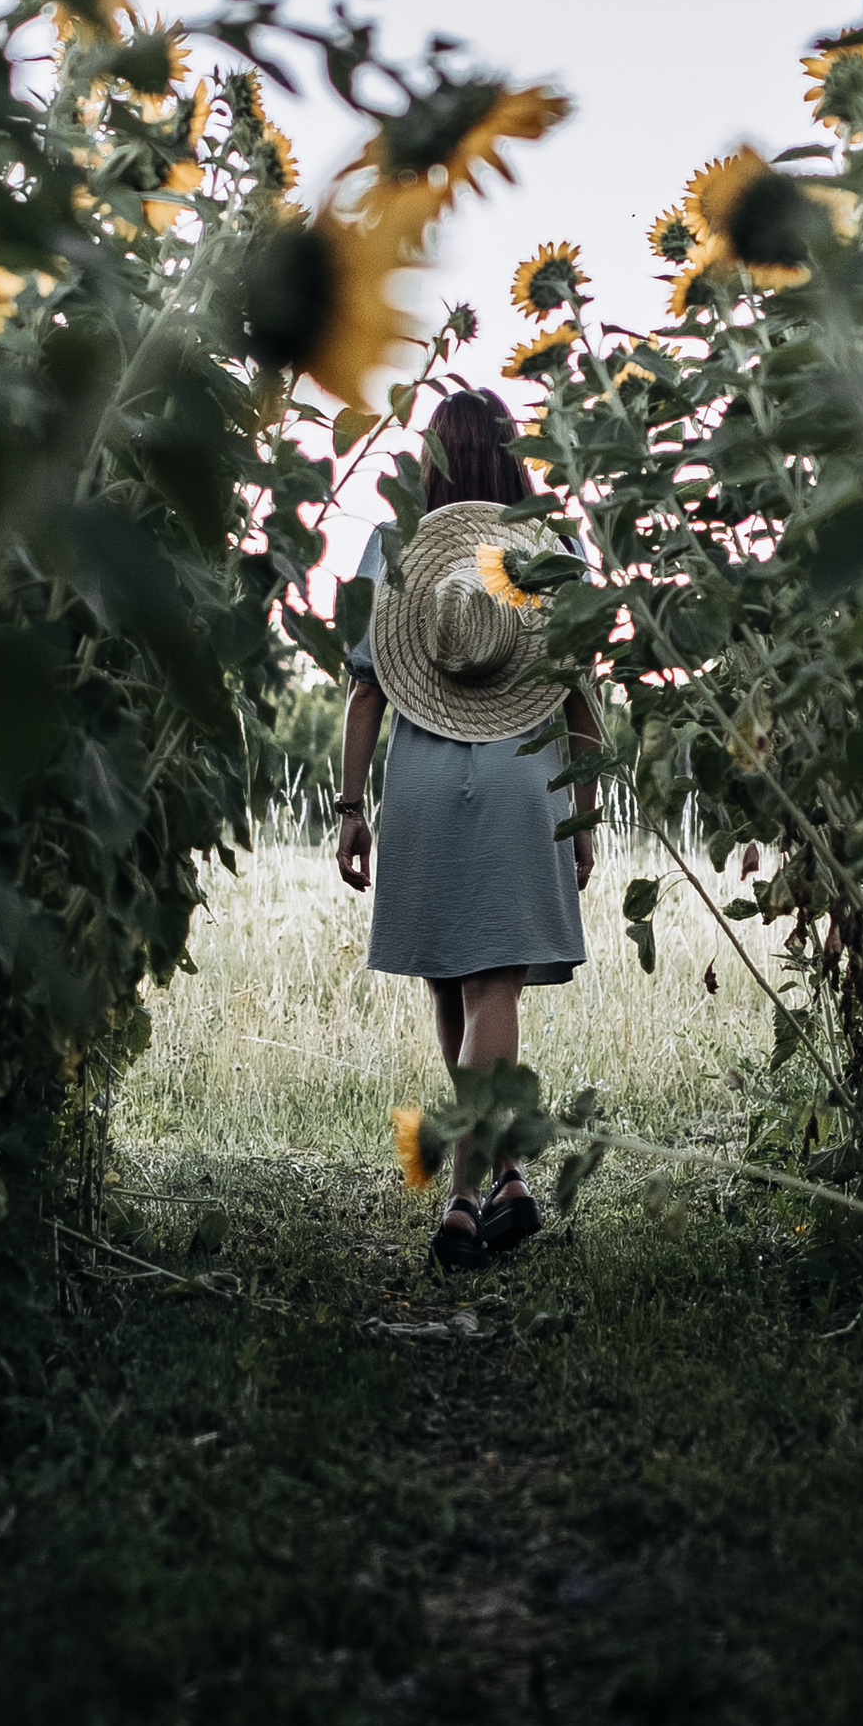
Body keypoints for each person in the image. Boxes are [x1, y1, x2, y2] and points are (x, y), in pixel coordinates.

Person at [336, 384, 599, 1269]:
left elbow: (366, 692)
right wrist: (586, 815)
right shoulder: (552, 548)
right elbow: (580, 693)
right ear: (511, 454)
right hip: (524, 782)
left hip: (419, 785)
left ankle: (491, 1182)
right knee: (493, 991)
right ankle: (479, 1191)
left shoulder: (395, 548)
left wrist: (349, 810)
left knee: (453, 984)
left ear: (436, 458)